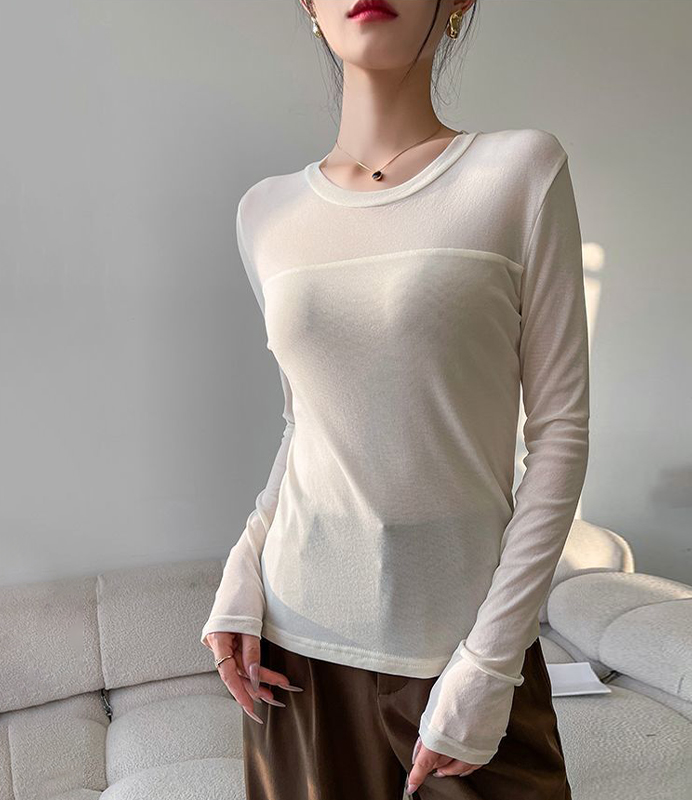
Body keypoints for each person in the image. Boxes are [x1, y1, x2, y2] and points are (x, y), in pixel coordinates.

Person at [201, 1, 590, 797]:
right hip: (293, 652)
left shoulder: (520, 171)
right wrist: (242, 572)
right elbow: (306, 424)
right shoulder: (265, 212)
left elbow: (559, 434)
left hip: (461, 655)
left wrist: (491, 663)